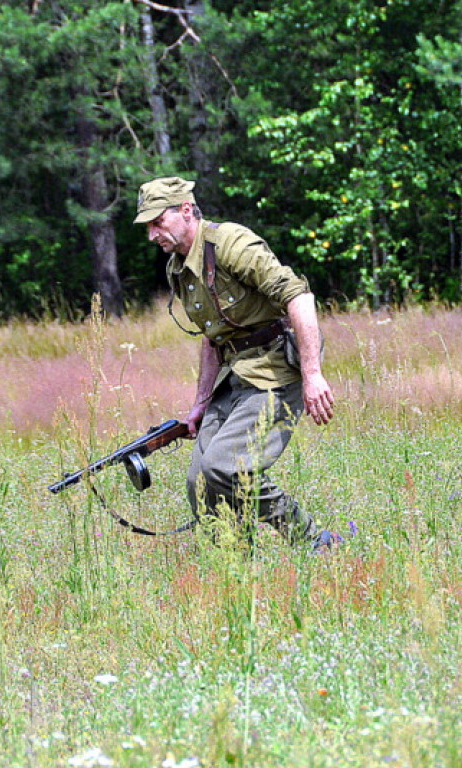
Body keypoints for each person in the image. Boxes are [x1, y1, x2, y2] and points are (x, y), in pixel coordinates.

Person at [134, 176, 342, 552]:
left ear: (185, 210)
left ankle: (316, 540)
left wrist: (313, 375)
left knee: (228, 468)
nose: (152, 235)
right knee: (200, 479)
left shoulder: (230, 243)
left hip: (275, 372)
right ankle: (233, 569)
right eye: (147, 226)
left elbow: (299, 297)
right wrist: (199, 402)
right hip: (235, 377)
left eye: (157, 223)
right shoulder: (179, 267)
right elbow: (212, 335)